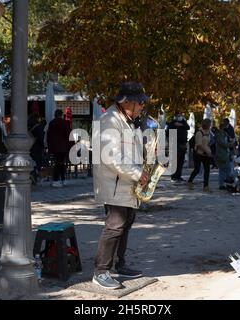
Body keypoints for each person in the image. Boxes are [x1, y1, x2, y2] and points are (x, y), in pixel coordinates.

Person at [93, 82, 150, 290]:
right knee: (115, 225)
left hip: (125, 183)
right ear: (128, 103)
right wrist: (138, 173)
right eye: (140, 103)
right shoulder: (110, 120)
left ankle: (119, 264)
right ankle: (101, 271)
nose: (143, 106)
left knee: (126, 223)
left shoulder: (126, 120)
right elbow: (112, 157)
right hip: (114, 184)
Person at [47, 109, 71, 187]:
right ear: (61, 115)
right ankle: (57, 180)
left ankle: (61, 179)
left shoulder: (51, 123)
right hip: (62, 147)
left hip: (54, 147)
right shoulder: (64, 123)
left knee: (58, 163)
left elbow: (48, 136)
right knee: (60, 163)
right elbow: (68, 135)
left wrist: (49, 146)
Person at [187, 118, 212, 192]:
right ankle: (190, 181)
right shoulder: (199, 132)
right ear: (207, 125)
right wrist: (206, 151)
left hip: (206, 153)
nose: (210, 125)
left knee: (207, 170)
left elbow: (206, 143)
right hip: (198, 153)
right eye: (209, 124)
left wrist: (208, 150)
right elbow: (199, 144)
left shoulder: (208, 132)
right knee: (197, 169)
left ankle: (206, 186)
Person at [167, 112, 190, 182]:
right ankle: (173, 176)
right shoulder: (172, 123)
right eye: (178, 115)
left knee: (181, 161)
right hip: (175, 144)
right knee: (175, 161)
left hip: (183, 144)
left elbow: (188, 127)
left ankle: (178, 176)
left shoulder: (184, 122)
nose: (180, 116)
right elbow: (168, 132)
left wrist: (181, 124)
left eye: (181, 115)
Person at [215, 122, 234, 190]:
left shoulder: (225, 134)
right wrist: (231, 143)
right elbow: (224, 144)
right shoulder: (219, 135)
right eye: (225, 127)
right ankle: (222, 185)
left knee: (226, 170)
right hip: (221, 154)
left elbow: (228, 141)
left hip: (226, 154)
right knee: (224, 170)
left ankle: (224, 184)